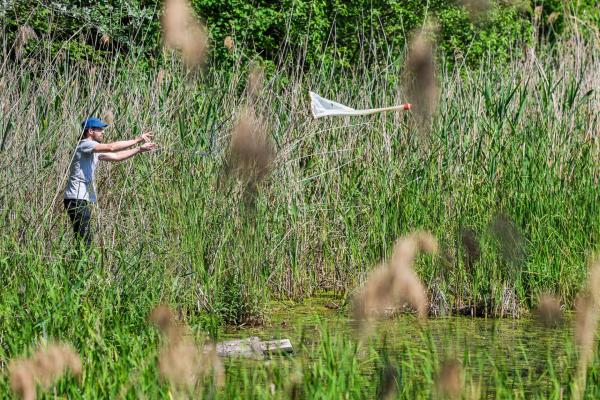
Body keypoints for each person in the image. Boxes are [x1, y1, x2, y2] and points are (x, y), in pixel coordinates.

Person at [64, 117, 157, 246]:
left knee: (85, 238)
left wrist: (139, 149)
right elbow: (112, 148)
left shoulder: (93, 150)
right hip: (76, 198)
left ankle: (82, 262)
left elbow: (117, 156)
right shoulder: (85, 144)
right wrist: (137, 139)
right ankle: (80, 264)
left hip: (82, 198)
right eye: (100, 130)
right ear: (90, 131)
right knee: (84, 240)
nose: (103, 132)